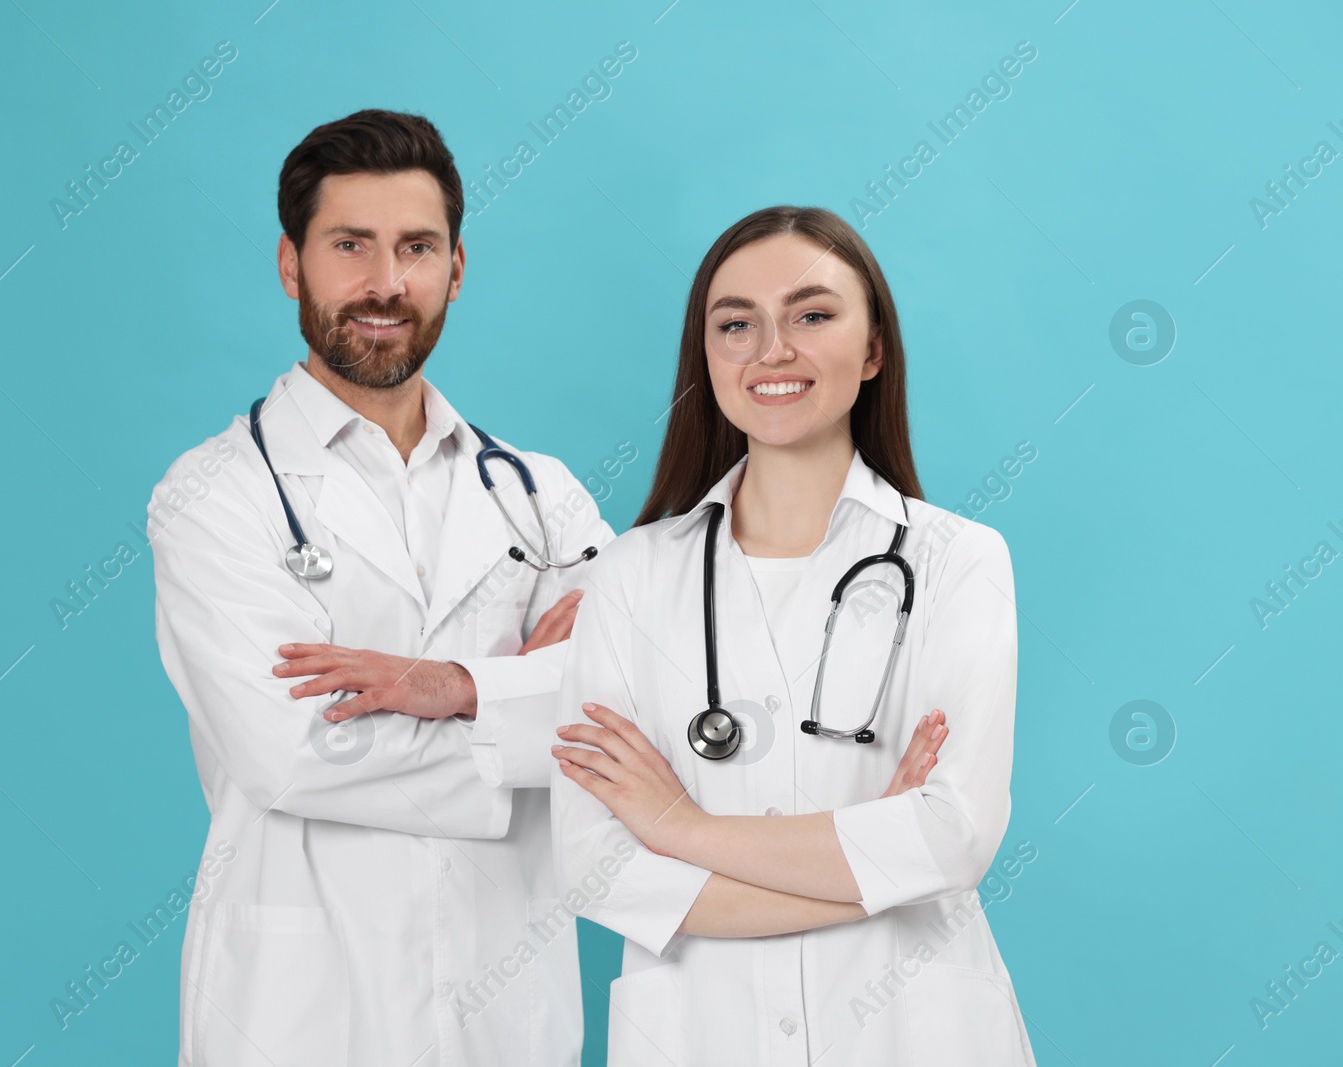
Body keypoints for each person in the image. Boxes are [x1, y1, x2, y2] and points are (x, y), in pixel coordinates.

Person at [149, 109, 612, 1067]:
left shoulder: (541, 495)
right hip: (300, 1011)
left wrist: (459, 689)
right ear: (291, 265)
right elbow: (292, 751)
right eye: (350, 245)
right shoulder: (214, 494)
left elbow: (626, 712)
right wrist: (527, 707)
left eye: (416, 248)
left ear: (457, 268)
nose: (385, 285)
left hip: (507, 1003)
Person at [550, 206, 1036, 1066]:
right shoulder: (632, 575)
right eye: (736, 324)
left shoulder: (957, 560)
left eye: (813, 315)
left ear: (874, 348)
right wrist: (873, 870)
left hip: (909, 1032)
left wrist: (680, 827)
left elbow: (951, 835)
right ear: (707, 355)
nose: (772, 349)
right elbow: (593, 864)